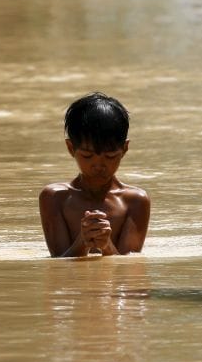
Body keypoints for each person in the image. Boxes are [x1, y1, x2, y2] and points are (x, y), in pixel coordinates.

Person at [39, 92, 150, 257]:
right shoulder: (54, 198)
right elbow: (58, 265)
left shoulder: (135, 201)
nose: (99, 166)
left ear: (124, 149)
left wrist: (106, 245)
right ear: (71, 148)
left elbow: (129, 270)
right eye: (87, 156)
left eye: (110, 156)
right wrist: (82, 242)